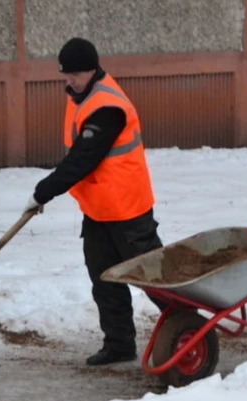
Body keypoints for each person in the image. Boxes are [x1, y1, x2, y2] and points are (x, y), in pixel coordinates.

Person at [23, 37, 166, 366]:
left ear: (91, 69)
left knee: (154, 279)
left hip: (128, 209)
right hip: (99, 209)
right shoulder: (81, 96)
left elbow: (82, 159)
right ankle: (118, 344)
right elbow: (79, 156)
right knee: (103, 278)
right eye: (64, 74)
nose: (68, 81)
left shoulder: (107, 107)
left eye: (73, 74)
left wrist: (43, 191)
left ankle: (189, 327)